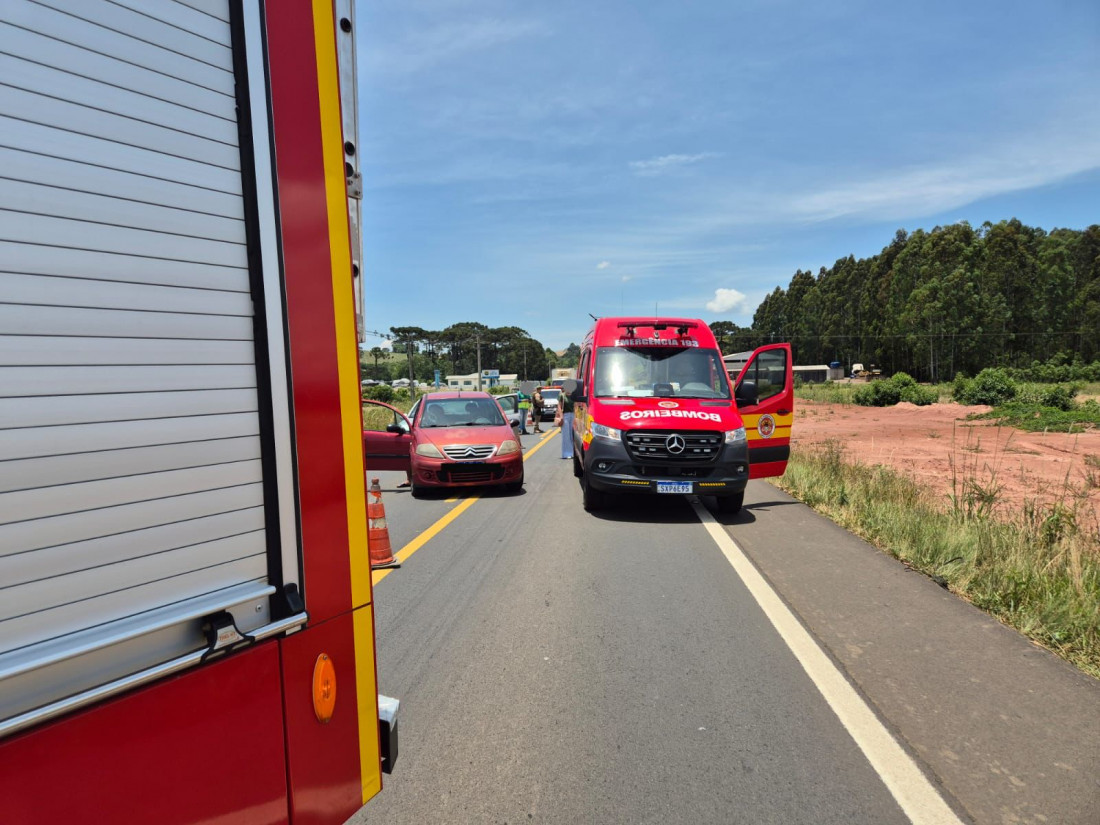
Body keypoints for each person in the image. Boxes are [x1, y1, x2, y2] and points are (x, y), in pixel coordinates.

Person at [557, 388, 574, 459]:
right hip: (565, 415)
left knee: (572, 435)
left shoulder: (573, 396)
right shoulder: (562, 396)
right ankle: (566, 453)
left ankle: (573, 453)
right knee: (566, 435)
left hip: (573, 415)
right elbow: (559, 406)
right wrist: (561, 416)